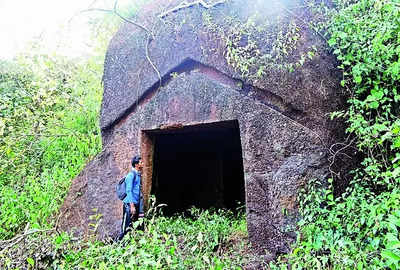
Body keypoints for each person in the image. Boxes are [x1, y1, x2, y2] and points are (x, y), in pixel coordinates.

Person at [119, 155, 144, 240]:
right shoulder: (131, 175)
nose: (142, 164)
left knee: (133, 225)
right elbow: (128, 191)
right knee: (126, 225)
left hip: (135, 204)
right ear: (136, 165)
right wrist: (132, 206)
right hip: (129, 205)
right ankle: (120, 243)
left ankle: (129, 244)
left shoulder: (138, 175)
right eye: (141, 162)